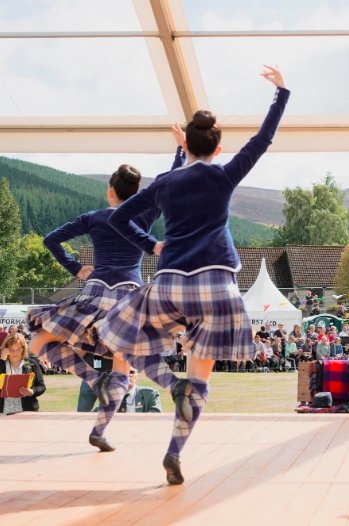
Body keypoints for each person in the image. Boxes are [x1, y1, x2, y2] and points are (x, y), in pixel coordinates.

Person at [97, 65, 289, 484]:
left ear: (189, 144)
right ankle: (174, 450)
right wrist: (281, 92)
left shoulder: (165, 183)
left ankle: (169, 382)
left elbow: (120, 219)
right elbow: (263, 139)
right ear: (218, 147)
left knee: (126, 342)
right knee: (201, 380)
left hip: (168, 284)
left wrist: (152, 245)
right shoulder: (223, 175)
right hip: (217, 286)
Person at [26, 161, 166, 451]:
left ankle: (92, 378)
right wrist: (180, 150)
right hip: (129, 297)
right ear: (136, 193)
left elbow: (51, 239)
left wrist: (75, 267)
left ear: (110, 190)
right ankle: (99, 430)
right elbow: (167, 183)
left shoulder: (94, 217)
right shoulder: (143, 216)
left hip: (96, 290)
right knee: (121, 366)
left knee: (39, 339)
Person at [0, 333, 46, 414]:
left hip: (27, 411)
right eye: (11, 350)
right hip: (2, 412)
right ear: (6, 349)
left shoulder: (32, 364)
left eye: (18, 349)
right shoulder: (2, 362)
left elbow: (41, 386)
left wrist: (32, 391)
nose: (15, 353)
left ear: (24, 348)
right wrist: (2, 360)